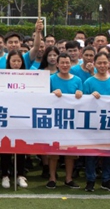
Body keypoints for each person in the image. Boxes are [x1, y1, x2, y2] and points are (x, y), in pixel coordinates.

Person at [82, 52, 110, 192]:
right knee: (91, 154)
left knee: (108, 154)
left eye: (105, 62)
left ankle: (106, 180)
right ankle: (90, 180)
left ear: (109, 64)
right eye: (99, 63)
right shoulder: (88, 82)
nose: (102, 65)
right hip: (92, 124)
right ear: (94, 64)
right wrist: (90, 97)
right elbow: (82, 104)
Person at [48, 53, 83, 190]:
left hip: (72, 121)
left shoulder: (78, 80)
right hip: (54, 120)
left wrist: (80, 94)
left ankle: (68, 179)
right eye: (62, 62)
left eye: (67, 62)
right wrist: (52, 94)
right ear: (57, 64)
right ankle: (52, 178)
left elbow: (84, 100)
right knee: (54, 152)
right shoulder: (51, 79)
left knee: (70, 152)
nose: (65, 65)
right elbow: (43, 98)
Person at [0, 53, 28, 189]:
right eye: (13, 61)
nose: (16, 64)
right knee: (5, 146)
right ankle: (5, 175)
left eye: (18, 61)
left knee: (20, 146)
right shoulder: (1, 77)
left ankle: (20, 175)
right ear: (8, 62)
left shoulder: (30, 77)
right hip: (5, 116)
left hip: (23, 116)